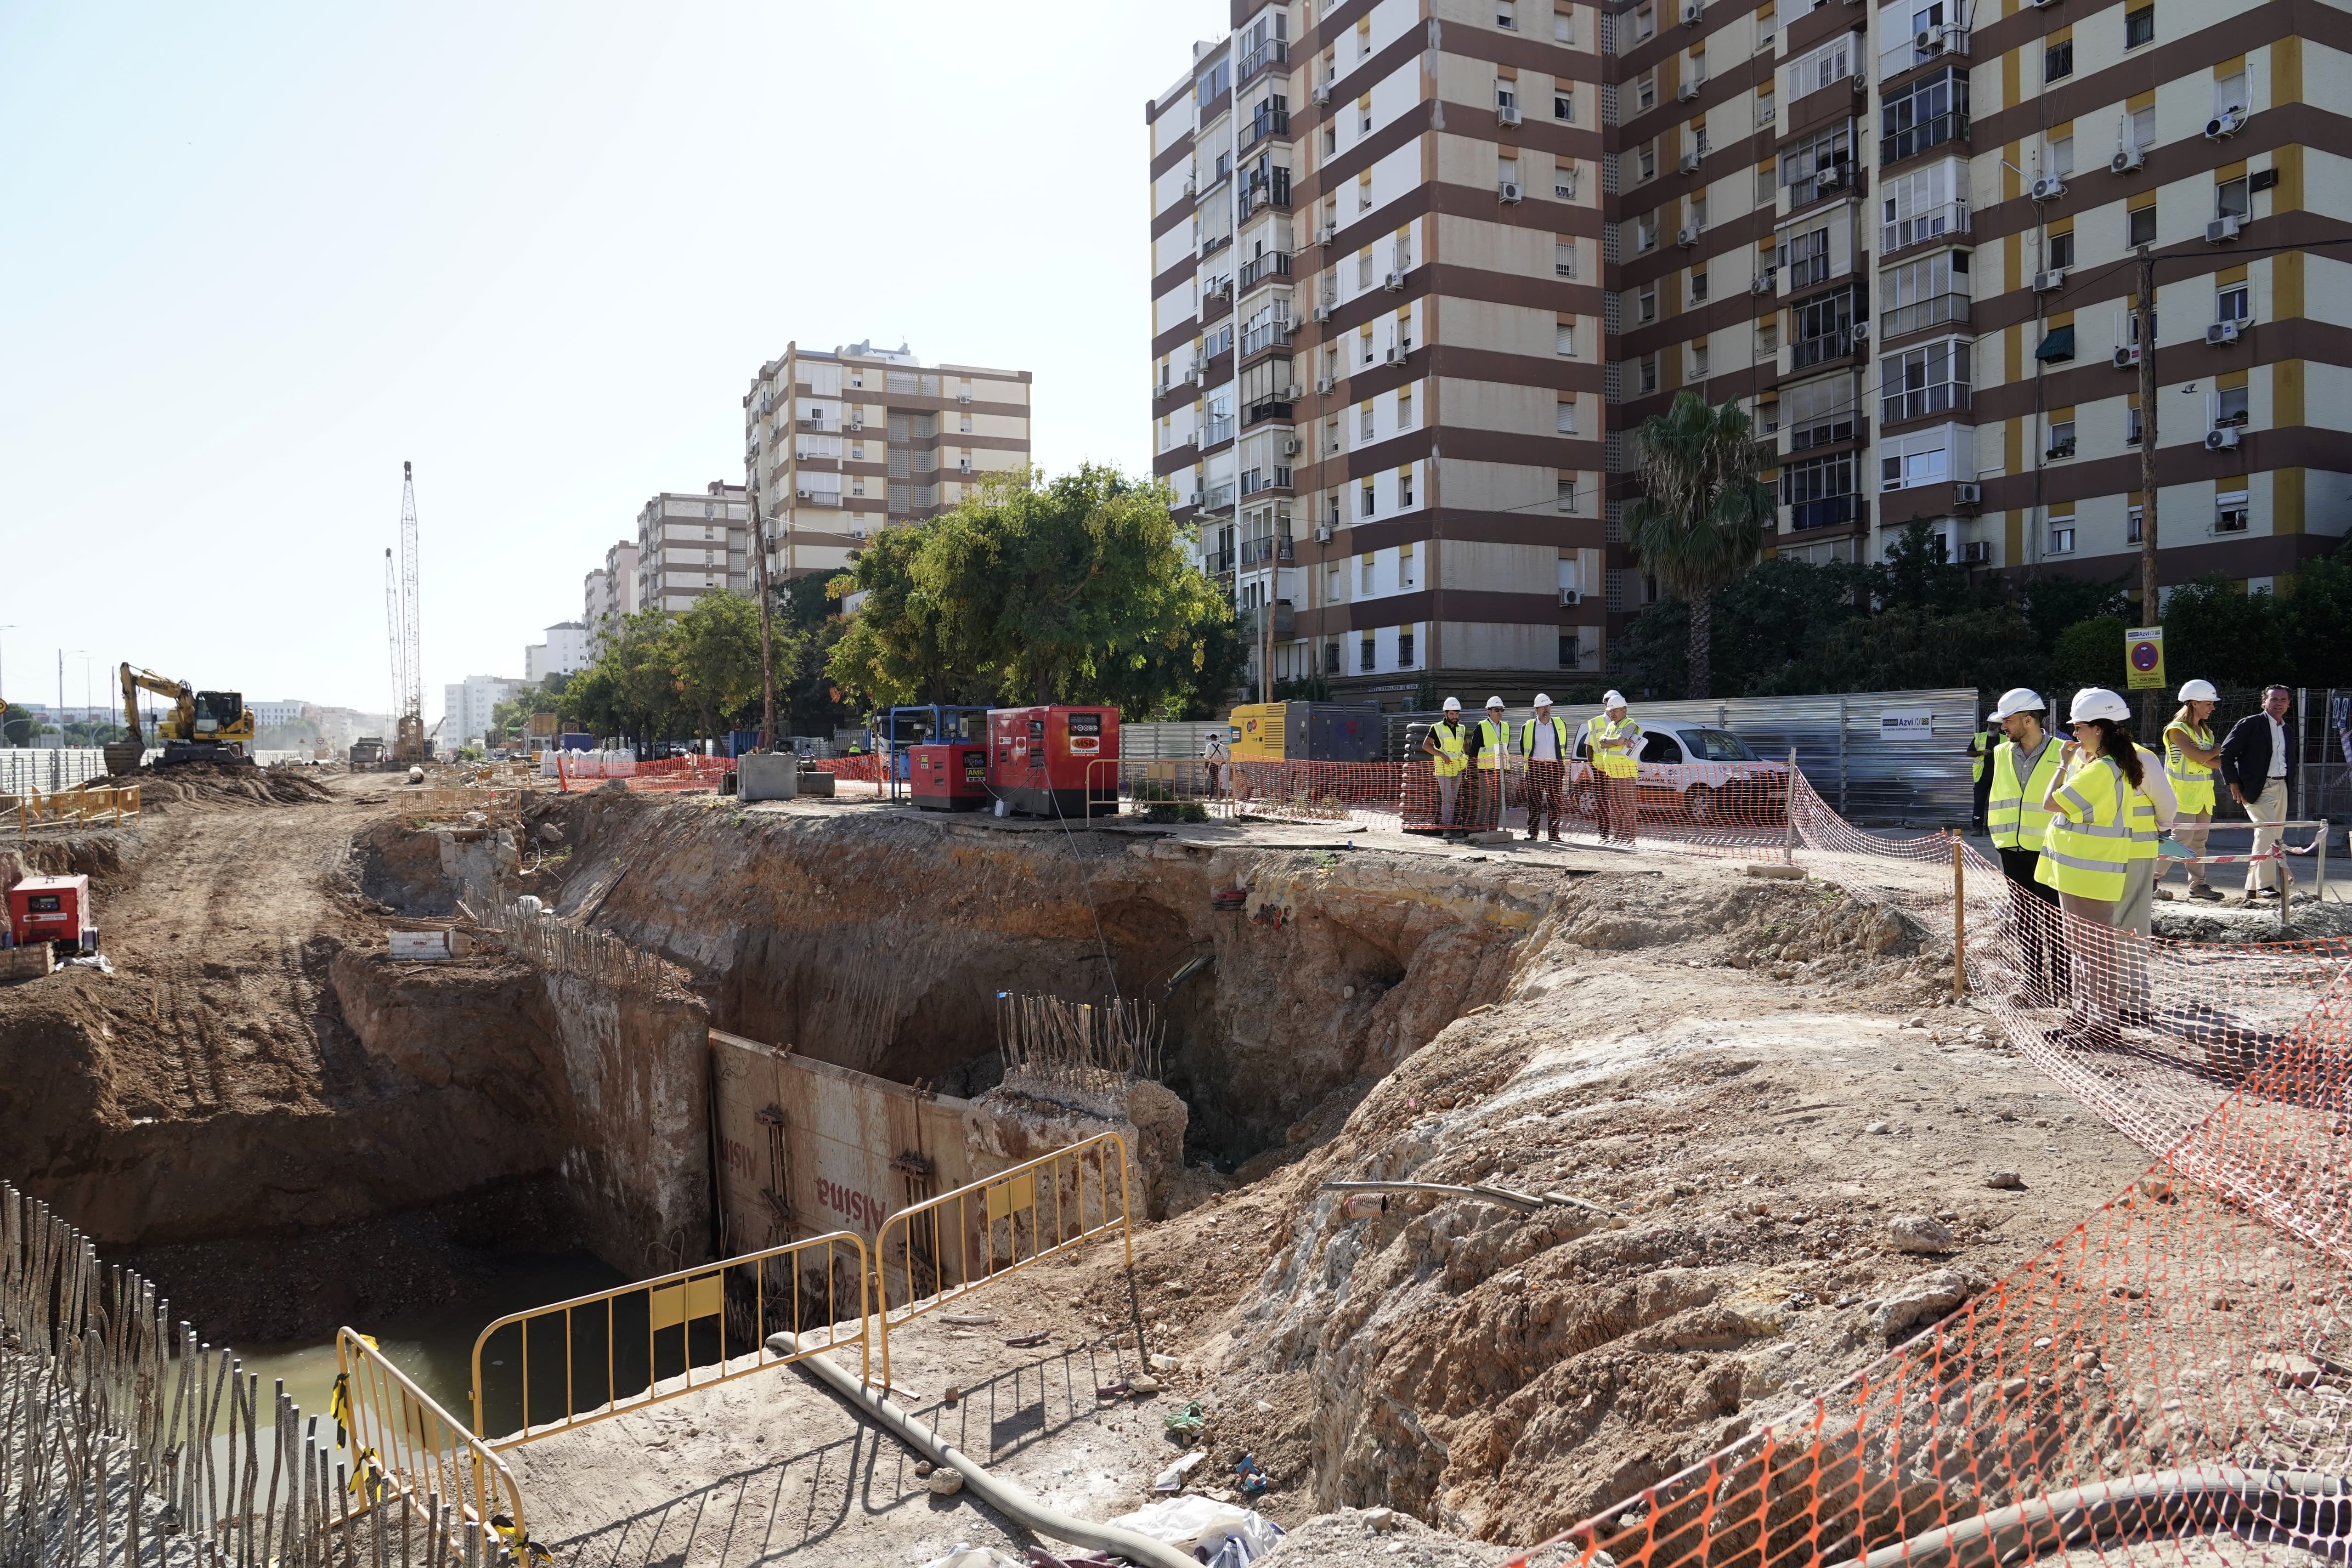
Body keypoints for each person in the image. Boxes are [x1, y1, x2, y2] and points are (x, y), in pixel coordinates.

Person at [2035, 688, 2144, 1046]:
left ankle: (2102, 1024)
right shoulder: (2104, 765)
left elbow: (2051, 802)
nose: (2074, 734)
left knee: (2094, 950)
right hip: (2084, 871)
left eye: (2079, 727)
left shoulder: (2102, 770)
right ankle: (2085, 1017)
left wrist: (2063, 764)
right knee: (2083, 948)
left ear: (2099, 729)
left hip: (2089, 872)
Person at [1984, 687, 2068, 1008]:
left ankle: (2062, 988)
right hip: (2011, 849)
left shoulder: (2064, 753)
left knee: (2055, 920)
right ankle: (2033, 986)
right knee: (2026, 920)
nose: (2003, 727)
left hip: (2050, 850)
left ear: (2028, 719)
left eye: (2008, 721)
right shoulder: (2001, 752)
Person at [2218, 685, 2297, 900]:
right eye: (2274, 699)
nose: (2278, 703)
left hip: (2282, 786)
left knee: (2274, 835)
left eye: (2283, 700)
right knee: (2267, 832)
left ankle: (2252, 887)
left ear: (2289, 704)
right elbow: (2226, 755)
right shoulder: (2250, 724)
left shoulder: (2287, 730)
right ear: (2264, 701)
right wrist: (2234, 783)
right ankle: (2266, 885)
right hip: (2256, 788)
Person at [2160, 680, 2223, 901]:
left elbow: (2217, 763)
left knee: (2199, 842)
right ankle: (2151, 879)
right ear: (2194, 704)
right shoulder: (2175, 730)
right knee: (2180, 841)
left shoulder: (2206, 731)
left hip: (2204, 797)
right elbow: (2203, 757)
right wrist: (2212, 751)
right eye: (2209, 703)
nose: (2213, 707)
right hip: (2182, 796)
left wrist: (2206, 755)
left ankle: (2199, 886)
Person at [1580, 691, 1642, 844]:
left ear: (1624, 710)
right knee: (1615, 807)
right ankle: (1619, 835)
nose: (1613, 713)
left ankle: (1629, 838)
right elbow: (1602, 743)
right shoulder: (1612, 726)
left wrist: (1614, 741)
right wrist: (1616, 741)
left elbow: (1619, 740)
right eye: (1611, 711)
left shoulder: (1630, 724)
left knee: (1627, 807)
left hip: (1625, 773)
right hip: (1611, 773)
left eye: (1615, 710)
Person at [1521, 695, 1571, 842]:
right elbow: (1524, 748)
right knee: (1534, 802)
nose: (1547, 709)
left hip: (1555, 767)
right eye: (1543, 707)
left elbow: (1563, 745)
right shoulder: (1528, 726)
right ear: (1536, 709)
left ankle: (1554, 835)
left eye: (1548, 706)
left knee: (1555, 802)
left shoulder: (1560, 724)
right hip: (1535, 768)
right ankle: (1533, 833)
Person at [1422, 697, 1470, 835]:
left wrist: (1466, 756)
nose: (1455, 717)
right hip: (1443, 769)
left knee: (1454, 799)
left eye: (1457, 714)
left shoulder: (1462, 728)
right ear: (1446, 714)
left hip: (1458, 768)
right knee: (1447, 799)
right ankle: (1447, 829)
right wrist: (1442, 755)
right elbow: (1426, 746)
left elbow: (1464, 745)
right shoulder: (1437, 728)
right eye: (1452, 714)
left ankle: (1452, 827)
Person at [1469, 696, 1510, 832]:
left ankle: (1493, 829)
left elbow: (1506, 749)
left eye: (1501, 710)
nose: (1500, 712)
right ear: (1489, 711)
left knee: (1497, 802)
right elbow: (1473, 752)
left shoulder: (1505, 727)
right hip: (1486, 771)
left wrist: (1507, 770)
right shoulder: (1482, 727)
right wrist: (1472, 771)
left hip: (1501, 770)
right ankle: (1480, 829)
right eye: (1497, 710)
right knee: (1485, 802)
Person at [1202, 724, 1229, 799]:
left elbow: (1207, 757)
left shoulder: (1209, 746)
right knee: (1214, 778)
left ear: (1211, 739)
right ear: (1216, 739)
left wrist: (1204, 757)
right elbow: (1225, 756)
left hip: (1212, 765)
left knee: (1214, 779)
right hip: (1219, 765)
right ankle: (1211, 795)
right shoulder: (1222, 746)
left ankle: (1220, 793)